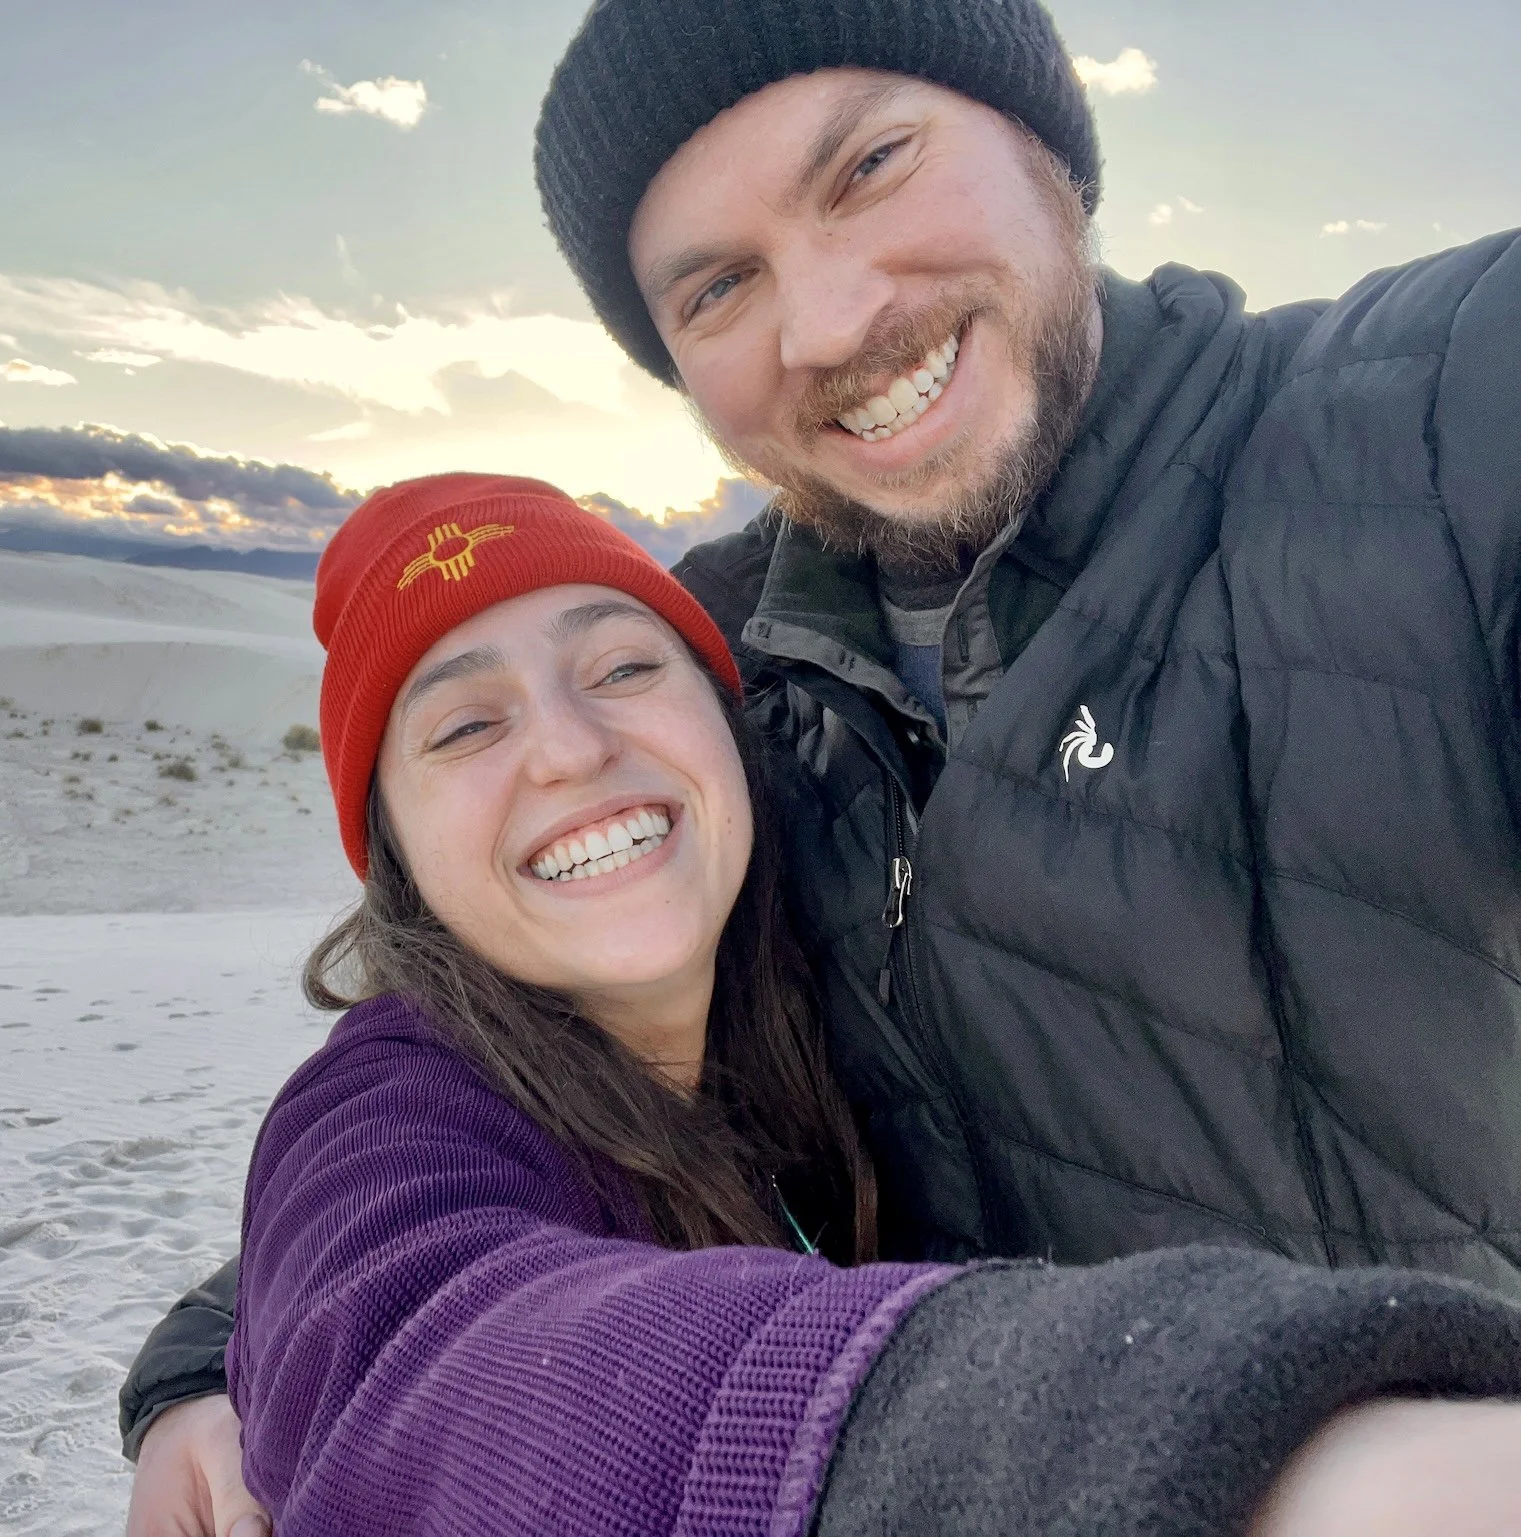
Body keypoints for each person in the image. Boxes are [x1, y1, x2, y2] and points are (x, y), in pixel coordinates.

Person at [125, 0, 1521, 1521]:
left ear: (1048, 138)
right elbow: (523, 1072)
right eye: (719, 286)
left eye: (869, 165)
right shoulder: (728, 668)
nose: (837, 323)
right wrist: (238, 1339)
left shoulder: (1444, 424)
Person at [191, 471, 1521, 1537]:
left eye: (622, 668)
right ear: (398, 858)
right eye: (464, 729)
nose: (571, 746)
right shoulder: (385, 1098)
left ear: (730, 728)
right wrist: (1276, 1467)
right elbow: (419, 1355)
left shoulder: (818, 998)